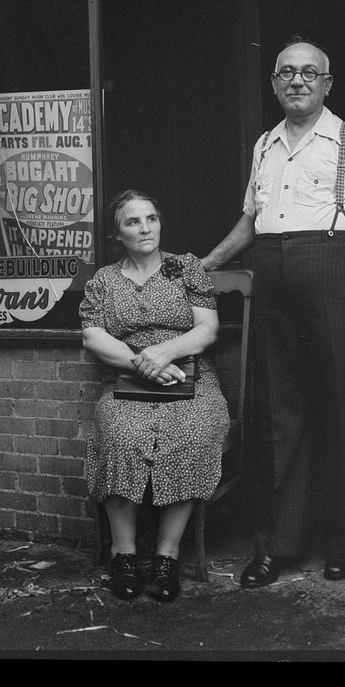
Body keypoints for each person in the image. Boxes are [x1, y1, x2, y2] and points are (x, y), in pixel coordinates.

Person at [200, 35, 345, 587]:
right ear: (274, 83)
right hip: (273, 273)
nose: (297, 81)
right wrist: (205, 263)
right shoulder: (265, 145)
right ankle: (278, 546)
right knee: (280, 413)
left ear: (327, 83)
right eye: (286, 73)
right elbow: (251, 223)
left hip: (340, 271)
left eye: (309, 73)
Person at [80, 190, 230, 602]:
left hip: (191, 380)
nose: (145, 228)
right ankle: (123, 554)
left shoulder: (185, 268)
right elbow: (93, 336)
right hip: (129, 381)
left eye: (151, 218)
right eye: (133, 222)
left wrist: (164, 353)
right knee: (120, 437)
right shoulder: (104, 281)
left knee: (190, 436)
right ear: (117, 233)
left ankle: (167, 557)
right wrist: (141, 364)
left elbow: (207, 329)